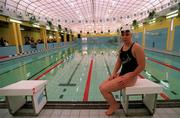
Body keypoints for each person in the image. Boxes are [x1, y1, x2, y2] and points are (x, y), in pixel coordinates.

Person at [99, 25, 145, 116]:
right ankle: (113, 103)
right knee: (101, 86)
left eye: (127, 34)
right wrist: (113, 73)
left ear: (131, 35)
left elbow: (142, 66)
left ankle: (114, 105)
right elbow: (118, 62)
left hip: (130, 78)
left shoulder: (136, 47)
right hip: (122, 74)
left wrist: (130, 76)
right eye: (123, 35)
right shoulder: (122, 47)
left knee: (104, 89)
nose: (124, 37)